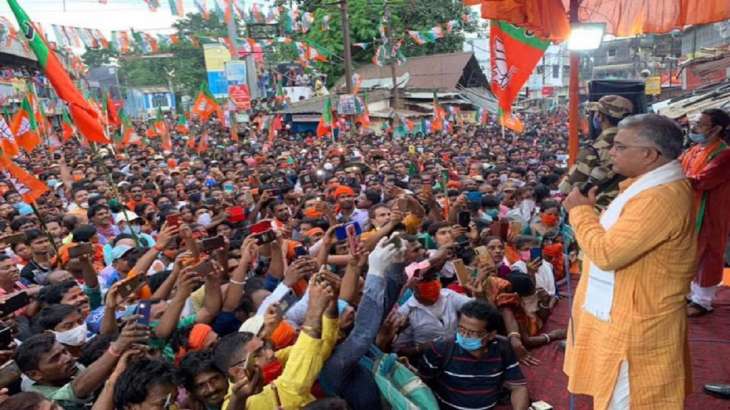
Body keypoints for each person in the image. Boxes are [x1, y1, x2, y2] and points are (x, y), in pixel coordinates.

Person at [563, 114, 696, 408]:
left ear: (649, 155)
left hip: (638, 324)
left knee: (630, 399)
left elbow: (608, 254)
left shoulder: (659, 198)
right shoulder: (645, 187)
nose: (611, 152)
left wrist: (581, 213)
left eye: (620, 147)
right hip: (625, 311)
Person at [417, 299, 529, 410]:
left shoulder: (503, 348)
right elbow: (422, 386)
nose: (464, 336)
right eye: (461, 329)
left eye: (472, 333)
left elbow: (518, 387)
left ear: (491, 335)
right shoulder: (440, 349)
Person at [680, 108, 730, 317]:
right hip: (690, 208)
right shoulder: (694, 150)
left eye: (701, 124)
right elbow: (679, 168)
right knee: (691, 252)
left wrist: (672, 181)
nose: (695, 128)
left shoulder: (724, 154)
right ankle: (691, 293)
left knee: (709, 252)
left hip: (710, 210)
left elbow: (703, 180)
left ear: (716, 129)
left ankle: (704, 300)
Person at [559, 95, 634, 209]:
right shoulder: (637, 142)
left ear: (600, 117)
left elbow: (567, 187)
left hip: (600, 209)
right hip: (630, 202)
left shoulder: (594, 149)